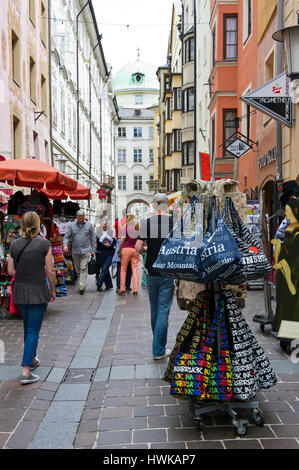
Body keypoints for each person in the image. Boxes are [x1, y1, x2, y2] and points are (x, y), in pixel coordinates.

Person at [7, 211, 56, 385]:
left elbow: (10, 271)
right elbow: (50, 270)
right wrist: (53, 289)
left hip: (19, 291)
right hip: (37, 290)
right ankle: (26, 371)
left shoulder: (14, 245)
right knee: (33, 330)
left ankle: (32, 359)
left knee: (28, 327)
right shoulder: (44, 244)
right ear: (38, 223)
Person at [135, 193, 174, 360]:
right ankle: (158, 348)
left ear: (153, 205)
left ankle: (158, 345)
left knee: (154, 309)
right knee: (164, 309)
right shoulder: (173, 222)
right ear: (166, 205)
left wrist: (147, 250)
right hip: (167, 270)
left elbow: (138, 248)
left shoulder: (147, 222)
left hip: (151, 270)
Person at [272, 197, 299, 332]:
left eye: (288, 211)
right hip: (283, 272)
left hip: (294, 270)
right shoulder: (285, 226)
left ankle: (291, 332)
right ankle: (283, 329)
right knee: (283, 300)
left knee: (292, 303)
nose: (286, 213)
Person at [63, 210, 96, 295]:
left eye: (82, 218)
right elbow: (66, 236)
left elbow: (93, 238)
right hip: (75, 250)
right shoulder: (71, 225)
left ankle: (82, 285)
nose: (81, 219)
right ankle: (81, 281)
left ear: (84, 217)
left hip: (86, 250)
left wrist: (93, 249)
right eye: (79, 218)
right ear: (76, 217)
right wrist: (65, 245)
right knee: (78, 269)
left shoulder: (89, 225)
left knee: (83, 267)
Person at [118, 214, 140, 296]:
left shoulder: (125, 228)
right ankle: (135, 290)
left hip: (126, 249)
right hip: (135, 250)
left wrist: (119, 249)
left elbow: (122, 240)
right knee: (135, 269)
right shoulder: (137, 229)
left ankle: (122, 288)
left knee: (123, 269)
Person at [96, 219, 116, 292]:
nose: (104, 225)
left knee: (104, 269)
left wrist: (110, 245)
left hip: (110, 253)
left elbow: (114, 243)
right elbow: (96, 243)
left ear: (107, 224)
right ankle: (109, 285)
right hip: (101, 253)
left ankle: (99, 284)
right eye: (102, 224)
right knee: (105, 269)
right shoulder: (98, 232)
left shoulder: (111, 232)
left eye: (105, 224)